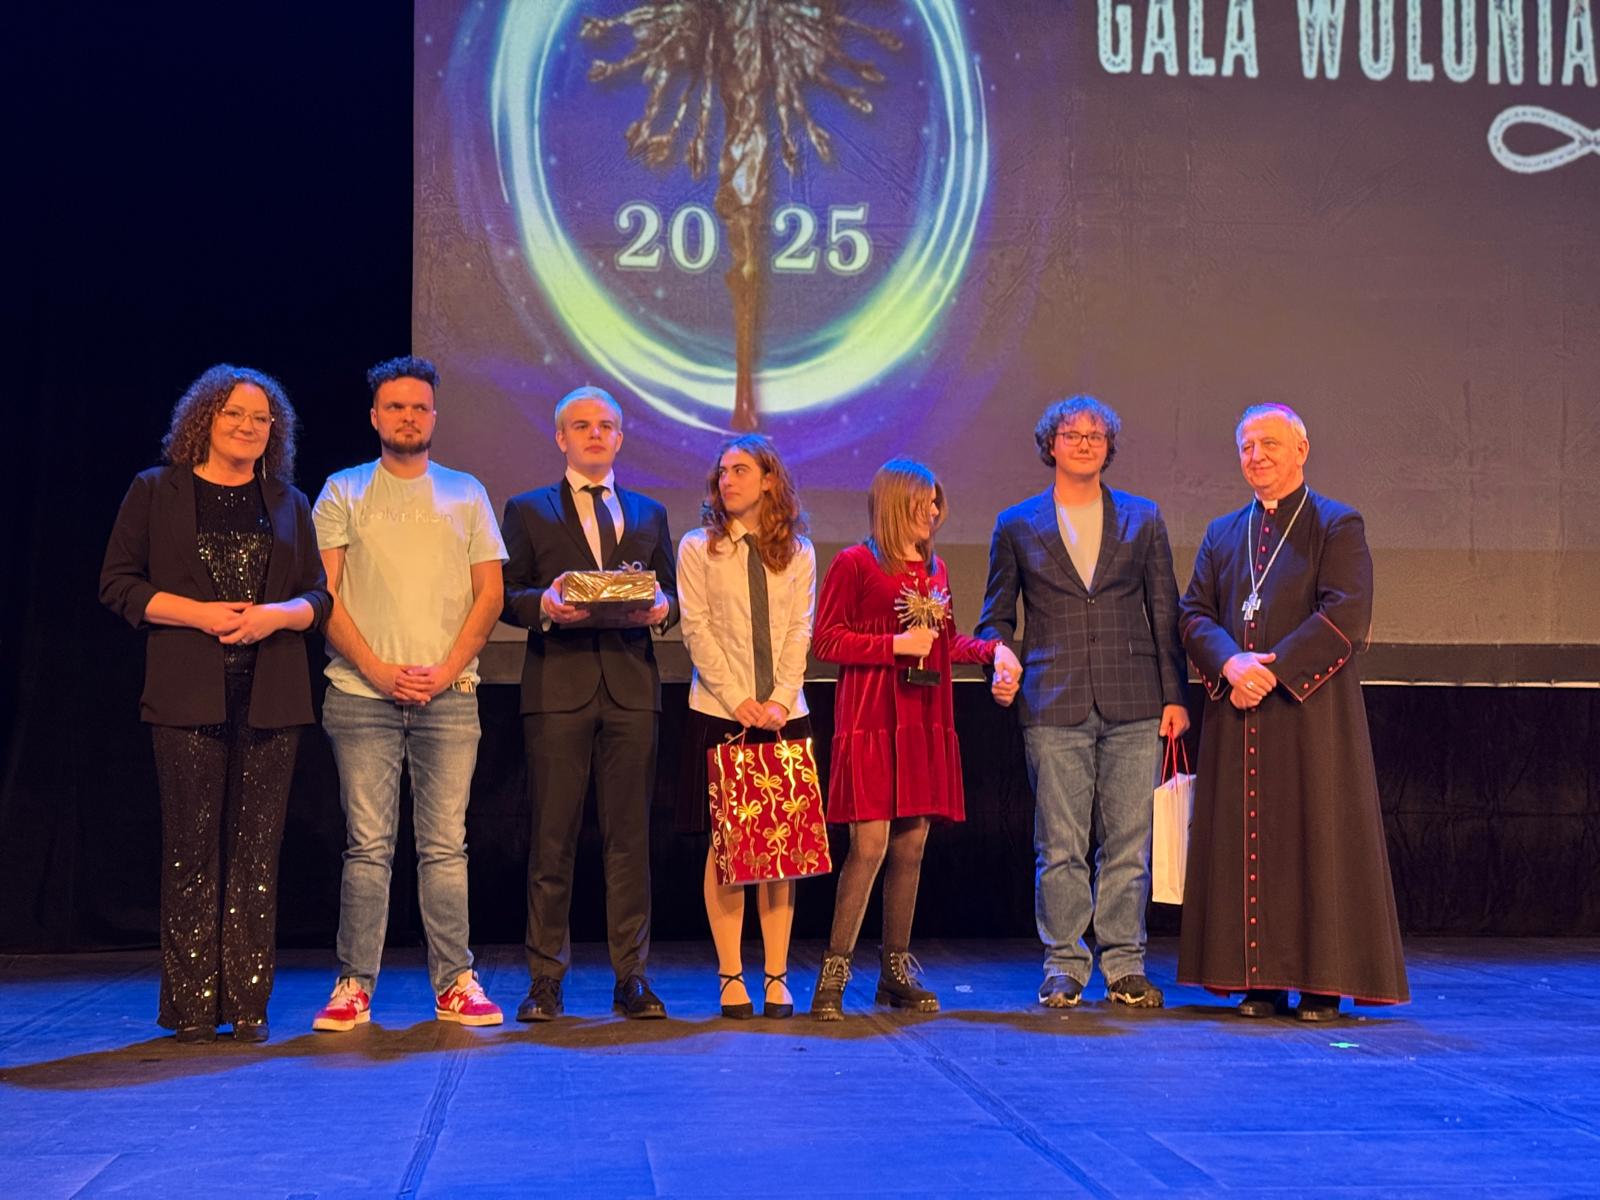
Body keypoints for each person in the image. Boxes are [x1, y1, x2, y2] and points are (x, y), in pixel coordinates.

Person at [100, 364, 330, 1044]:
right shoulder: (156, 491)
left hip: (272, 694)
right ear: (205, 419)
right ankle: (194, 1005)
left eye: (261, 418)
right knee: (190, 850)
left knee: (257, 855)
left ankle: (249, 1003)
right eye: (235, 414)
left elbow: (318, 596)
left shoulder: (288, 500)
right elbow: (118, 584)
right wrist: (199, 614)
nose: (248, 427)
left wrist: (275, 616)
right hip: (186, 692)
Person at [1178, 403, 1408, 1020]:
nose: (1257, 456)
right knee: (1246, 845)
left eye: (1270, 444)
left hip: (1312, 716)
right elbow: (1193, 614)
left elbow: (1346, 614)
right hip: (1239, 713)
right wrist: (1230, 664)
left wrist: (1270, 672)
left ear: (1301, 450)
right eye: (1247, 447)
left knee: (1314, 839)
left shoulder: (1336, 524)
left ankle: (1320, 982)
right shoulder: (1223, 533)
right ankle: (1258, 979)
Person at [310, 356, 507, 1032]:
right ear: (374, 416)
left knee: (445, 846)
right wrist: (377, 670)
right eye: (395, 406)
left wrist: (446, 670)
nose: (408, 417)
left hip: (449, 696)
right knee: (367, 845)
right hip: (359, 694)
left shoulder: (465, 492)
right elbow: (325, 596)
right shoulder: (343, 489)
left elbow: (490, 595)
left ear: (434, 417)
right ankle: (352, 986)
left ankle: (455, 982)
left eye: (419, 407)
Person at [977, 396, 1190, 1010]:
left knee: (1129, 843)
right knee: (1060, 845)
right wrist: (999, 659)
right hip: (1052, 699)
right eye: (1073, 434)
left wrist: (1175, 697)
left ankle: (1124, 963)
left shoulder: (1144, 518)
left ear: (1108, 447)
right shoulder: (1016, 524)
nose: (1085, 443)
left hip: (1135, 700)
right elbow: (996, 618)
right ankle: (1064, 963)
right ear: (1052, 444)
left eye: (1096, 436)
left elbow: (1165, 612)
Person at [809, 459, 1022, 1019]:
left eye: (935, 501)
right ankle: (834, 973)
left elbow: (944, 644)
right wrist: (893, 646)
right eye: (923, 500)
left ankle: (895, 971)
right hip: (873, 720)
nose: (932, 510)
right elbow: (826, 640)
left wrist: (993, 650)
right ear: (894, 503)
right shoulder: (856, 564)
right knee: (869, 846)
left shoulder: (936, 570)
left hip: (922, 721)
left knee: (911, 846)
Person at [501, 386, 677, 1021]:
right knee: (552, 841)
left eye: (605, 425)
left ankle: (632, 977)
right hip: (558, 688)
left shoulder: (650, 511)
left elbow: (671, 593)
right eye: (581, 425)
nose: (595, 434)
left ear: (620, 438)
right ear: (561, 438)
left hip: (631, 689)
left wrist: (663, 608)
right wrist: (545, 605)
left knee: (629, 841)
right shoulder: (527, 509)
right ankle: (546, 980)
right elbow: (505, 594)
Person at [675, 434, 816, 1020]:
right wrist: (739, 701)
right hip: (720, 713)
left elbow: (799, 630)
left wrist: (779, 700)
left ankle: (777, 975)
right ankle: (731, 974)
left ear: (769, 480)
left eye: (740, 470)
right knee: (727, 847)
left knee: (781, 851)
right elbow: (697, 629)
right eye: (722, 471)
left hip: (784, 715)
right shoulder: (697, 547)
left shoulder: (799, 551)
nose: (727, 480)